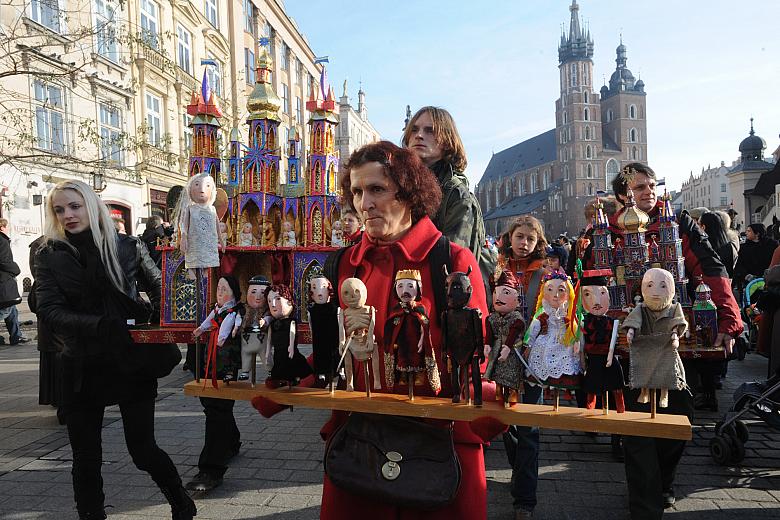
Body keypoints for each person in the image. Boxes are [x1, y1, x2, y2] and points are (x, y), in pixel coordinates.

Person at [321, 140, 498, 520]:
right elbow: (336, 351)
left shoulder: (452, 260)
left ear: (409, 192)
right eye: (356, 191)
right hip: (360, 445)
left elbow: (474, 354)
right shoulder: (344, 264)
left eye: (376, 189)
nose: (364, 203)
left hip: (437, 447)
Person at [582, 162, 741, 518]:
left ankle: (664, 481)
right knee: (639, 423)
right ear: (623, 195)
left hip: (672, 337)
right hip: (628, 339)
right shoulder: (609, 229)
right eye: (638, 188)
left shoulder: (676, 223)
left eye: (651, 185)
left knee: (679, 412)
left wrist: (728, 318)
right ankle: (644, 502)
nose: (648, 192)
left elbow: (709, 266)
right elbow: (592, 282)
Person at [34, 180, 195, 520]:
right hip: (80, 364)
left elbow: (163, 290)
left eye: (75, 206)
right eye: (60, 210)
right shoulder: (49, 254)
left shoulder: (127, 246)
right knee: (85, 458)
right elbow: (49, 310)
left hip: (129, 361)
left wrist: (176, 315)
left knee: (143, 450)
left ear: (91, 205)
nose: (68, 215)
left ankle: (181, 501)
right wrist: (99, 325)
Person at [402, 106, 495, 291]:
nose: (419, 135)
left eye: (430, 131)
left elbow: (452, 263)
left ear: (447, 141)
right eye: (414, 129)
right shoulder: (399, 186)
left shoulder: (457, 195)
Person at [496, 215, 548, 519]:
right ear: (510, 237)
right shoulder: (498, 269)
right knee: (507, 422)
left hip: (534, 356)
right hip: (504, 355)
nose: (524, 243)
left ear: (537, 242)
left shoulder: (543, 273)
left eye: (530, 238)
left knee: (529, 425)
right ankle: (519, 470)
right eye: (520, 237)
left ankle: (525, 499)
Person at [0, 218, 29, 345]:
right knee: (6, 310)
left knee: (12, 310)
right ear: (2, 227)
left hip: (4, 283)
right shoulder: (2, 241)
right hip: (3, 281)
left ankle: (16, 336)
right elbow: (4, 261)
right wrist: (16, 270)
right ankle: (16, 336)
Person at [734, 223, 778, 291]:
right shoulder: (743, 247)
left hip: (769, 281)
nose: (746, 233)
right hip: (749, 282)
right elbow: (739, 264)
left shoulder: (772, 245)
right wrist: (746, 275)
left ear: (757, 233)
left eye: (749, 231)